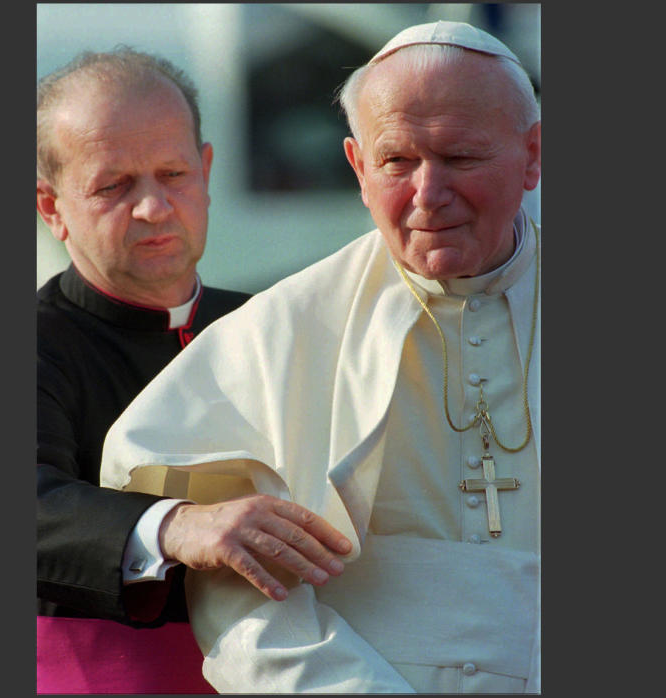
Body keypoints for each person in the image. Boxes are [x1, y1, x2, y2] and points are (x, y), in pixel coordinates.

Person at [100, 21, 542, 694]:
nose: (428, 193)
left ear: (533, 155)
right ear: (358, 167)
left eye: (460, 157)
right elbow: (245, 609)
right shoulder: (275, 337)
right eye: (397, 161)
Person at [35, 47, 353, 694]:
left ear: (205, 171)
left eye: (172, 173)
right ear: (51, 207)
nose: (153, 207)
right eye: (112, 186)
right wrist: (177, 524)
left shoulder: (279, 325)